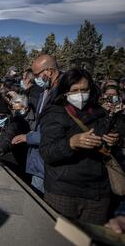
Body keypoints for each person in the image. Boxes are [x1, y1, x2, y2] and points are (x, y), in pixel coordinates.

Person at [40, 68, 120, 224]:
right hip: (64, 192)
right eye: (74, 90)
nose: (80, 95)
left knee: (89, 240)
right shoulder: (55, 113)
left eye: (84, 90)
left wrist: (113, 141)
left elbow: (110, 147)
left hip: (97, 193)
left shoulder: (100, 113)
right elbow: (47, 152)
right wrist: (70, 143)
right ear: (65, 92)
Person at [17, 54, 62, 194]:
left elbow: (57, 132)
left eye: (36, 75)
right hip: (39, 161)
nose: (34, 79)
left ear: (48, 71)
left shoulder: (63, 94)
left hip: (52, 165)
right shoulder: (45, 93)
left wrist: (29, 137)